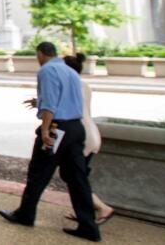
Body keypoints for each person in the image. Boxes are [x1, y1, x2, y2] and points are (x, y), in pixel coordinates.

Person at [0, 42, 101, 242]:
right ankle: (89, 226)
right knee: (77, 178)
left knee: (38, 172)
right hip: (75, 128)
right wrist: (40, 102)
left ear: (40, 54)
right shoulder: (69, 71)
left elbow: (52, 103)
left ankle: (25, 215)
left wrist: (45, 129)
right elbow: (68, 99)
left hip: (57, 129)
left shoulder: (47, 70)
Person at [62, 54, 114, 226]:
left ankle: (101, 208)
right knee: (75, 175)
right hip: (92, 134)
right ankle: (86, 212)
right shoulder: (84, 85)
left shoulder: (68, 86)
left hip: (80, 137)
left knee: (75, 177)